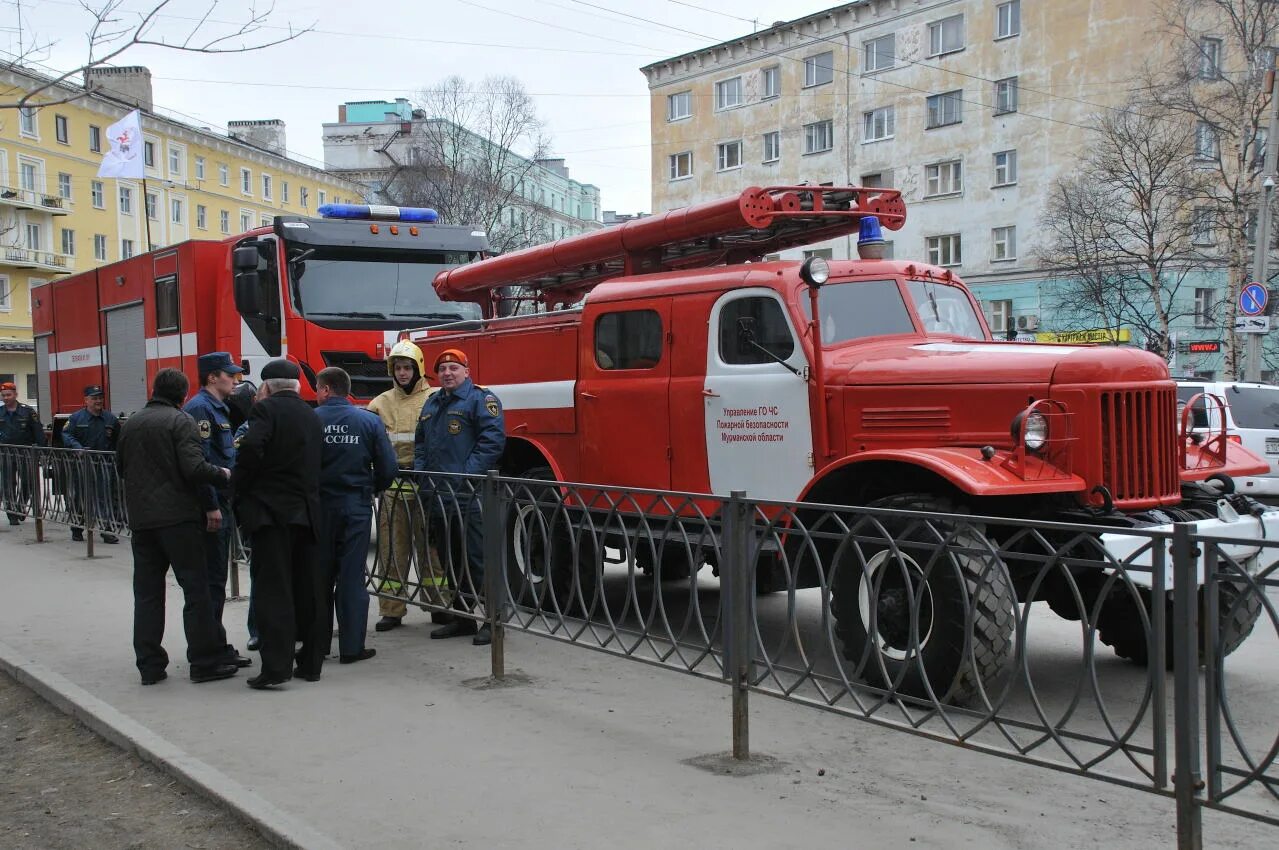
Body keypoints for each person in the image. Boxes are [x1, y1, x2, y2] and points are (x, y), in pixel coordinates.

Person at [115, 368, 238, 686]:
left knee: (147, 594)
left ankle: (149, 665)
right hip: (179, 521)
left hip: (142, 521)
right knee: (196, 590)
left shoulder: (133, 423)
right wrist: (224, 475)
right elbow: (194, 467)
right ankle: (204, 661)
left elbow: (120, 467)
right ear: (182, 395)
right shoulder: (180, 421)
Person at [232, 359, 325, 688]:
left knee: (274, 591)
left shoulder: (265, 411)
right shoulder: (311, 415)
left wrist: (239, 488)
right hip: (308, 514)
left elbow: (251, 450)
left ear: (267, 388)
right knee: (308, 590)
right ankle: (311, 664)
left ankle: (275, 667)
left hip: (272, 515)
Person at [414, 348, 505, 646]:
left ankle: (494, 621)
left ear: (466, 371)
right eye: (442, 369)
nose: (447, 373)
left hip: (469, 495)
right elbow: (421, 444)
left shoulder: (481, 400)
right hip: (438, 496)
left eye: (454, 368)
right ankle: (463, 618)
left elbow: (491, 443)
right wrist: (421, 473)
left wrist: (465, 476)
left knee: (478, 559)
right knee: (451, 558)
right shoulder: (432, 402)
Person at [367, 339, 450, 632]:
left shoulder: (436, 398)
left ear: (419, 369)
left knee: (432, 549)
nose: (402, 373)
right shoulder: (379, 403)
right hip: (393, 485)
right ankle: (392, 608)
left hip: (426, 485)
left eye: (407, 367)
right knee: (391, 549)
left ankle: (439, 605)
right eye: (398, 368)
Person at [315, 367, 397, 664]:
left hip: (319, 507)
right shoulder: (369, 421)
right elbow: (388, 467)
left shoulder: (311, 420)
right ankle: (351, 648)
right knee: (351, 576)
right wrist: (371, 487)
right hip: (355, 505)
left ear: (325, 389)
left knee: (319, 577)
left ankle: (317, 645)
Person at [184, 352, 251, 668]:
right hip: (211, 508)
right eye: (230, 374)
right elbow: (201, 465)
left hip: (222, 502)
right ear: (212, 377)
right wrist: (211, 506)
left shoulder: (217, 408)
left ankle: (217, 645)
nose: (235, 379)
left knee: (216, 581)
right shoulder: (200, 409)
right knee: (209, 582)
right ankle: (207, 655)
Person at [62, 385, 120, 544]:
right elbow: (66, 435)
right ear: (86, 400)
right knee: (79, 496)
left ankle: (107, 530)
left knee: (105, 497)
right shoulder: (76, 418)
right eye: (94, 398)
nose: (98, 401)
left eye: (100, 398)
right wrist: (77, 448)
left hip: (104, 466)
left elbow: (117, 441)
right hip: (81, 465)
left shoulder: (110, 419)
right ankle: (77, 528)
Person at [0, 380, 44, 525]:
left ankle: (21, 505)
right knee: (8, 484)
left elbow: (38, 432)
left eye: (8, 395)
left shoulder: (28, 411)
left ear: (15, 395)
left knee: (27, 482)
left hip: (25, 454)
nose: (6, 398)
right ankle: (12, 513)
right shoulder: (0, 412)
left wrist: (41, 452)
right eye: (3, 395)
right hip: (6, 455)